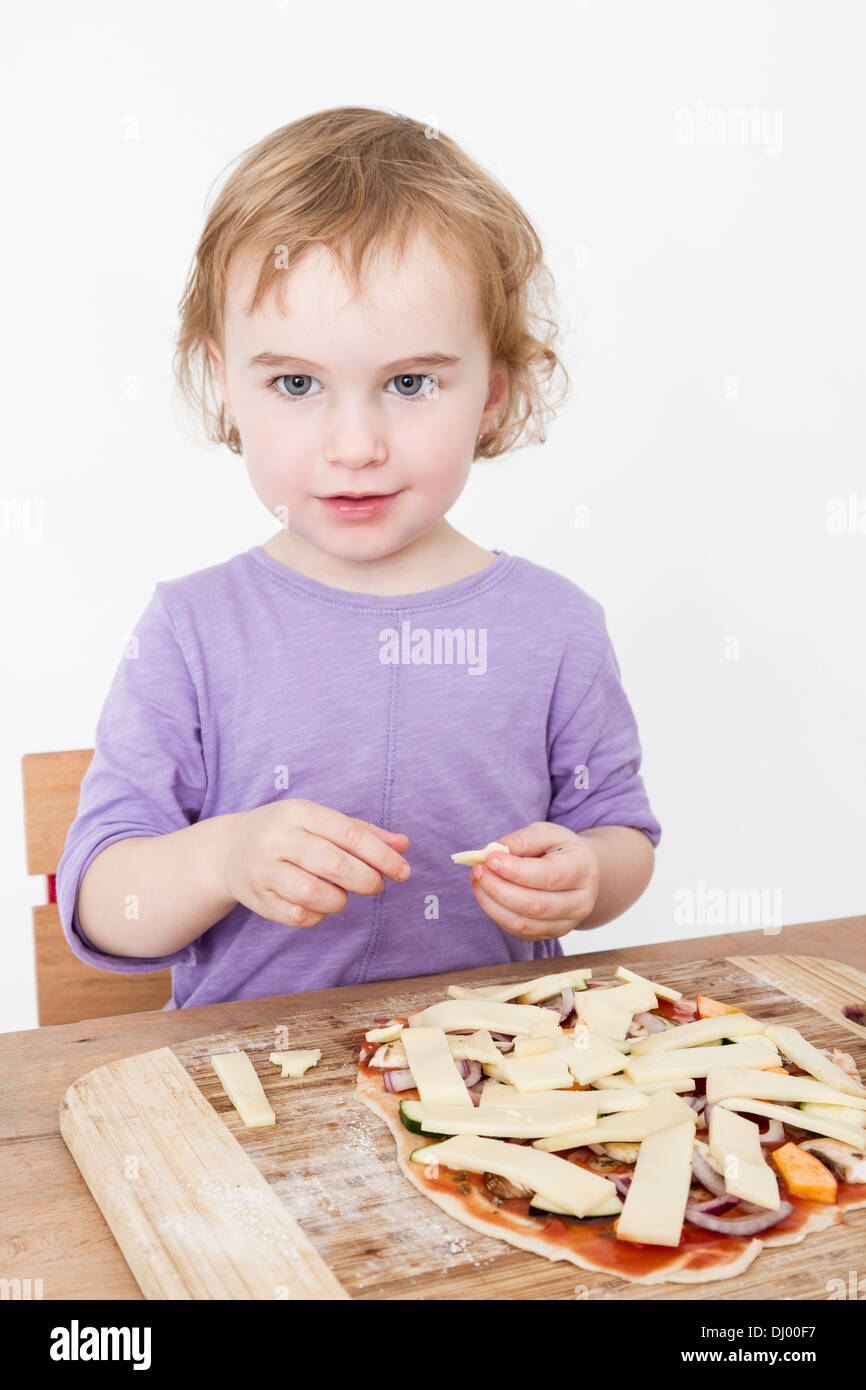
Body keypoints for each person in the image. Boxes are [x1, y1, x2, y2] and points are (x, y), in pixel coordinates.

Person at [56, 107, 662, 1010]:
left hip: (501, 1090)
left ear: (491, 392)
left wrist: (589, 876)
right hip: (253, 1092)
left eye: (409, 383)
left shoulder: (555, 625)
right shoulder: (193, 629)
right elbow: (104, 904)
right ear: (227, 381)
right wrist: (224, 856)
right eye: (296, 384)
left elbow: (619, 836)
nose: (354, 444)